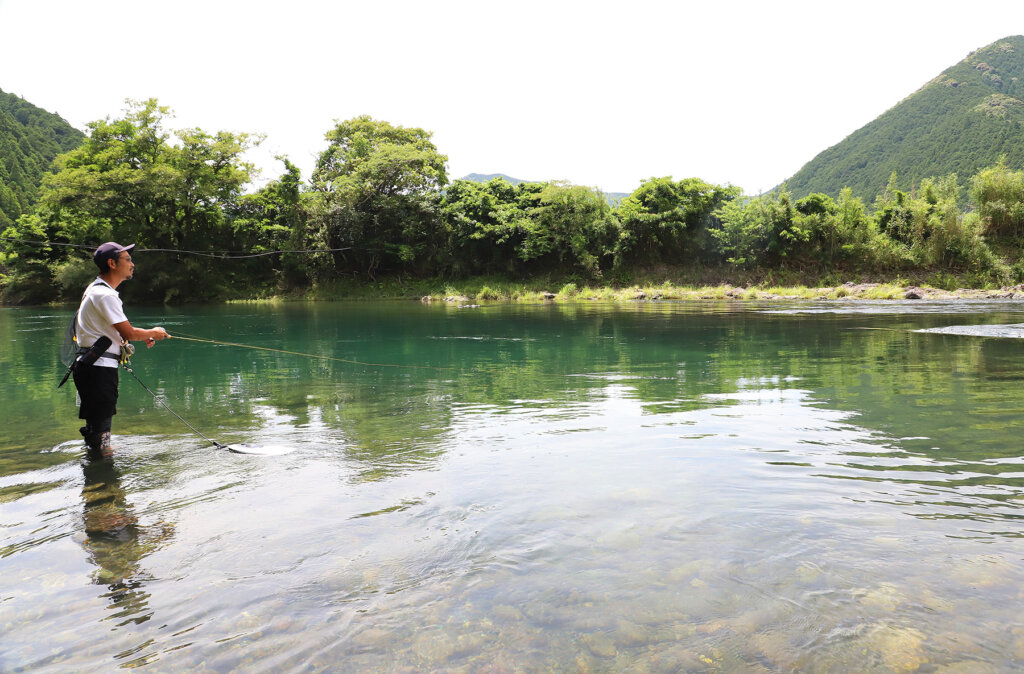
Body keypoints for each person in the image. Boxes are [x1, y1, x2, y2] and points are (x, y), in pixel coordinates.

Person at [74, 242, 169, 459]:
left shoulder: (96, 290)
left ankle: (97, 477)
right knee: (102, 431)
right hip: (98, 370)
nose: (132, 264)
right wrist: (153, 332)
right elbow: (131, 332)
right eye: (127, 259)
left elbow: (108, 332)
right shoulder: (105, 295)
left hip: (92, 367)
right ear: (112, 263)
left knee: (97, 428)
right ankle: (105, 478)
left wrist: (127, 342)